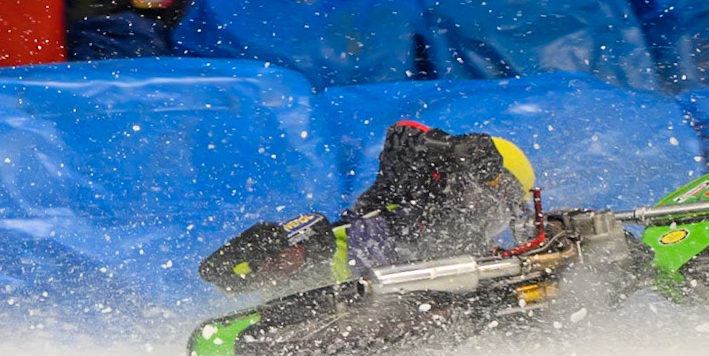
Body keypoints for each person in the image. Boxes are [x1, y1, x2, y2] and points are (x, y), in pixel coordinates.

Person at [198, 122, 539, 292]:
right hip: (341, 272)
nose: (489, 212)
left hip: (411, 306)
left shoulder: (480, 249)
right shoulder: (415, 190)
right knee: (313, 232)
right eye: (490, 196)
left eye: (503, 208)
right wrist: (451, 146)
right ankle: (266, 262)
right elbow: (403, 136)